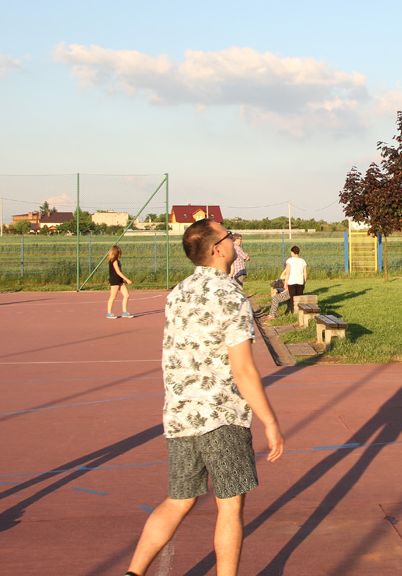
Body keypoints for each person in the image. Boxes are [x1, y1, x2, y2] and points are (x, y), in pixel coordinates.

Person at [124, 220, 283, 576]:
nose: (234, 241)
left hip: (180, 414)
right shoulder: (231, 295)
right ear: (217, 249)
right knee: (230, 507)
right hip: (222, 416)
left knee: (178, 500)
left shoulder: (178, 292)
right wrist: (270, 421)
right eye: (229, 236)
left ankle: (133, 573)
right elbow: (242, 368)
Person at [264, 246, 306, 321]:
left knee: (275, 298)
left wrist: (285, 285)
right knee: (292, 298)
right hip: (300, 285)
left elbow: (284, 275)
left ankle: (272, 315)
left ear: (292, 252)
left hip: (290, 289)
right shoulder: (303, 261)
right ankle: (275, 314)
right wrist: (304, 283)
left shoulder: (290, 261)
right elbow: (305, 273)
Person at [106, 245, 133, 319]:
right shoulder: (114, 261)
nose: (120, 254)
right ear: (116, 253)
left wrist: (122, 280)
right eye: (119, 252)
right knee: (113, 297)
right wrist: (127, 279)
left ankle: (124, 312)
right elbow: (118, 272)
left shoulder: (118, 261)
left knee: (126, 295)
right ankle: (109, 313)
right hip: (115, 280)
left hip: (120, 280)